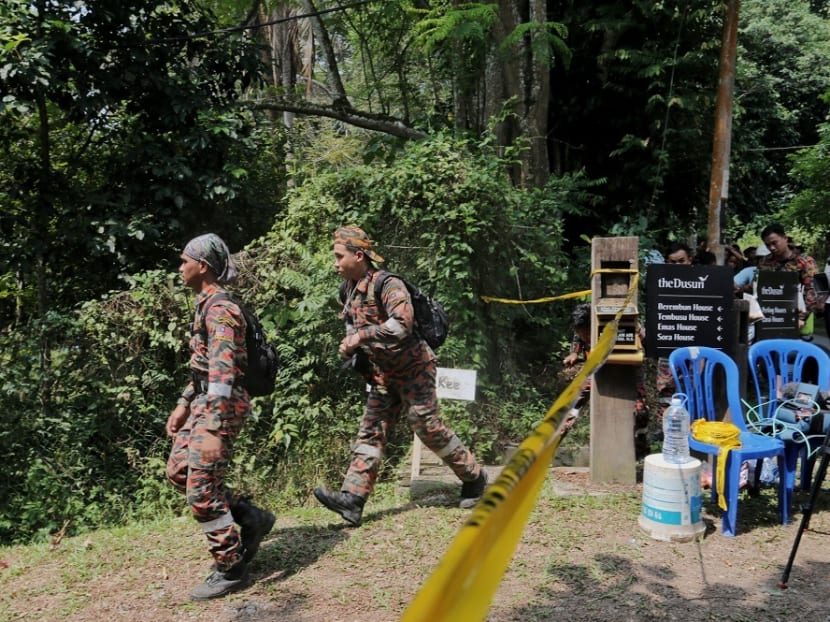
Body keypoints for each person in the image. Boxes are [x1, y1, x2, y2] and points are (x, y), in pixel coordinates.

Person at [314, 226, 487, 526]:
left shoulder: (388, 284)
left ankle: (475, 477)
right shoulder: (348, 290)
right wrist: (351, 348)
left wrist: (361, 337)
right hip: (383, 375)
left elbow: (402, 325)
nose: (335, 263)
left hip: (415, 369)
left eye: (339, 256)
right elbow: (353, 330)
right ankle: (353, 500)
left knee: (427, 426)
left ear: (359, 255)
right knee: (370, 431)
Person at [166, 233, 275, 601]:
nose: (180, 267)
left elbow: (224, 373)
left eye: (184, 260)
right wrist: (183, 403)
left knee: (200, 489)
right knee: (180, 472)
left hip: (221, 407)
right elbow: (203, 367)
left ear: (204, 266)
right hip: (203, 402)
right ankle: (249, 517)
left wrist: (212, 427)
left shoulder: (221, 309)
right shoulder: (205, 304)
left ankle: (231, 566)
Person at [564, 303, 651, 458]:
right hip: (597, 368)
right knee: (573, 403)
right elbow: (578, 335)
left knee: (641, 411)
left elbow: (643, 340)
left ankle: (640, 449)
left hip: (628, 368)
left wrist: (636, 341)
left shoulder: (623, 323)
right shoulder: (583, 323)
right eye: (581, 333)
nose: (584, 337)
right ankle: (549, 447)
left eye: (587, 333)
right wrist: (574, 353)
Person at [758, 224, 818, 332]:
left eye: (774, 243)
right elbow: (757, 287)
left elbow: (812, 291)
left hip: (796, 318)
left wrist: (801, 318)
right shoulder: (764, 262)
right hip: (769, 317)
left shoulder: (804, 262)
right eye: (768, 245)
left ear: (785, 238)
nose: (772, 247)